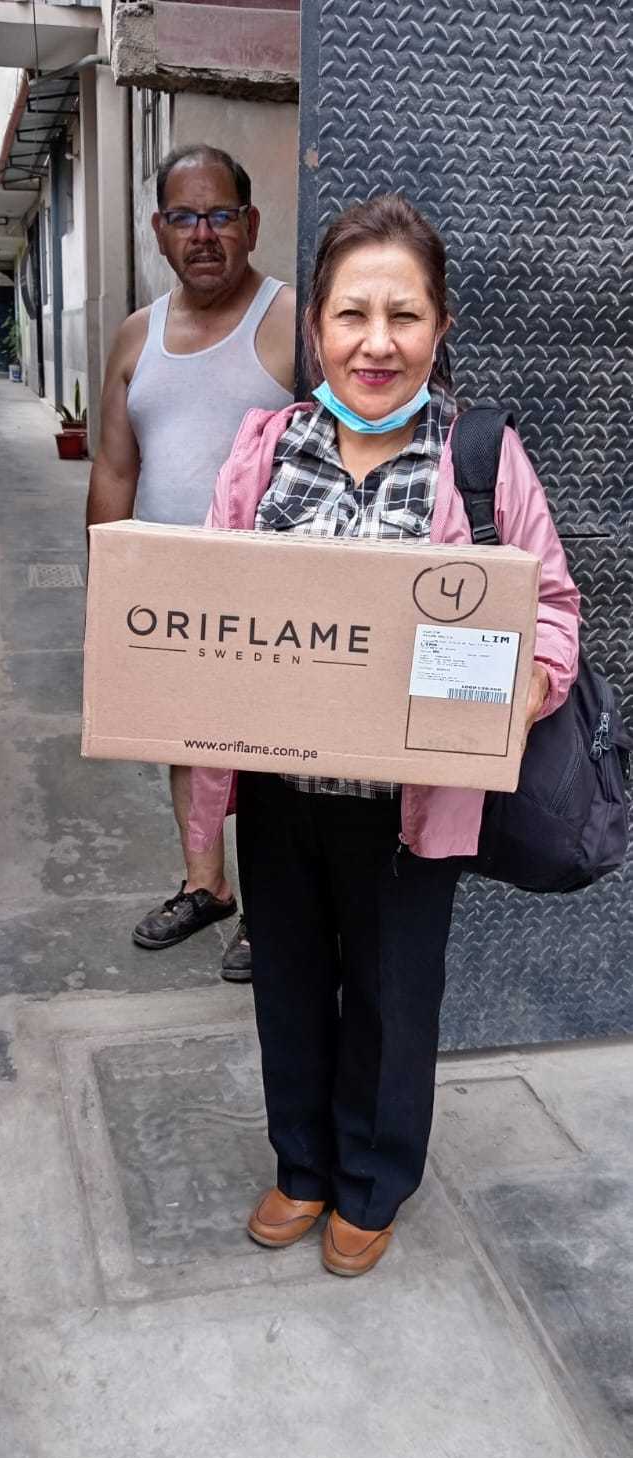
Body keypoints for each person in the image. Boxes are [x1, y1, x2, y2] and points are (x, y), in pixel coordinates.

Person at [187, 194, 580, 1276]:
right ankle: (303, 1165)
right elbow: (210, 604)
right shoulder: (265, 449)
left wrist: (530, 684)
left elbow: (551, 606)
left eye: (403, 315)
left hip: (412, 804)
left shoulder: (481, 458)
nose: (376, 342)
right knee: (287, 985)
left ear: (439, 326)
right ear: (315, 325)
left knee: (393, 997)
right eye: (351, 314)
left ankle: (371, 1179)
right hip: (280, 792)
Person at [86, 144, 296, 982]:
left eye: (219, 215)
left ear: (250, 223)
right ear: (158, 230)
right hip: (171, 593)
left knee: (272, 754)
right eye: (183, 217)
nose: (202, 234)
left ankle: (274, 911)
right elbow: (114, 467)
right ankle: (206, 885)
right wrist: (108, 591)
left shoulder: (290, 321)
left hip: (274, 594)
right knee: (184, 737)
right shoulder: (136, 335)